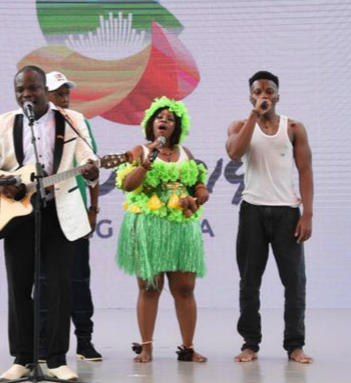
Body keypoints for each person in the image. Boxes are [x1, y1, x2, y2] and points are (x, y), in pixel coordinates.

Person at [0, 66, 99, 382]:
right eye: (20, 90)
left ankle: (56, 360)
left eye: (32, 88)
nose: (26, 94)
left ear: (45, 90)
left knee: (58, 286)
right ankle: (23, 359)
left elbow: (89, 157)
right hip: (18, 215)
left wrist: (92, 168)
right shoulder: (4, 123)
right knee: (18, 287)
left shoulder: (71, 120)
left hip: (58, 211)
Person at [225, 70, 314, 364]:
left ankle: (295, 345)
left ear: (278, 95)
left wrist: (307, 215)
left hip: (287, 212)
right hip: (253, 210)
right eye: (258, 91)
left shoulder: (294, 128)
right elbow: (235, 153)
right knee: (249, 280)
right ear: (251, 96)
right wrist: (254, 115)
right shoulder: (240, 125)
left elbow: (305, 171)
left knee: (294, 282)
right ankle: (250, 343)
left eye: (269, 91)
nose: (264, 95)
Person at [115, 97, 210, 363]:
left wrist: (200, 193)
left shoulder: (186, 154)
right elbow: (128, 186)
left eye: (170, 118)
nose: (164, 120)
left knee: (185, 289)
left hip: (181, 227)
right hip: (149, 227)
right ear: (151, 123)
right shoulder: (140, 151)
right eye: (159, 117)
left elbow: (198, 185)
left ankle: (188, 348)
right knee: (149, 288)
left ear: (177, 126)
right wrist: (146, 163)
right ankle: (146, 347)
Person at [37, 71, 103, 362]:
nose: (64, 98)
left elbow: (93, 168)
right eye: (58, 93)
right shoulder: (32, 126)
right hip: (38, 211)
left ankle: (84, 341)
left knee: (78, 278)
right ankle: (40, 344)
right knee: (42, 279)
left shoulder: (78, 122)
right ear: (44, 96)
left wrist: (93, 209)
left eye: (67, 93)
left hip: (73, 209)